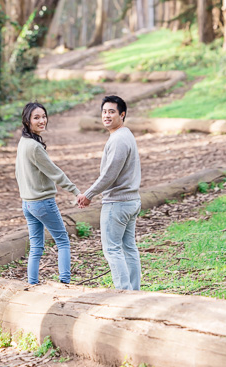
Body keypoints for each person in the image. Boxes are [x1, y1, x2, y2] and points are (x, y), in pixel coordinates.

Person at [77, 94, 141, 290]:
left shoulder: (119, 139)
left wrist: (88, 194)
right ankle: (134, 292)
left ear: (122, 114)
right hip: (131, 201)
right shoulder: (125, 134)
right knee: (128, 248)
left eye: (111, 112)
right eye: (104, 112)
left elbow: (109, 175)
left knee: (112, 249)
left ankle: (124, 293)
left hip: (118, 203)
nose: (106, 115)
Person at [15, 101, 79, 285]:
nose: (42, 120)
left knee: (36, 247)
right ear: (27, 121)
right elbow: (55, 172)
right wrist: (75, 191)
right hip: (42, 202)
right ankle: (65, 283)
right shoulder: (34, 147)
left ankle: (32, 284)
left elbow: (18, 173)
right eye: (36, 118)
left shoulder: (24, 142)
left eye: (43, 116)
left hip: (28, 203)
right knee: (63, 241)